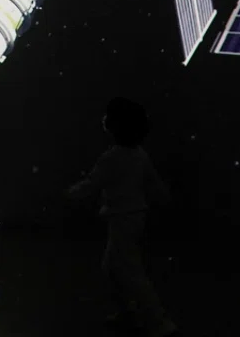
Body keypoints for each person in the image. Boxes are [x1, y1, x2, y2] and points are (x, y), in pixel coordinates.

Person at [66, 97, 178, 337]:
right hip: (132, 218)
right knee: (115, 269)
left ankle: (159, 323)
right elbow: (153, 183)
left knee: (129, 272)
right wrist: (165, 198)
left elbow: (93, 183)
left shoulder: (113, 157)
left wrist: (70, 194)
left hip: (123, 219)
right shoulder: (139, 154)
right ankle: (129, 313)